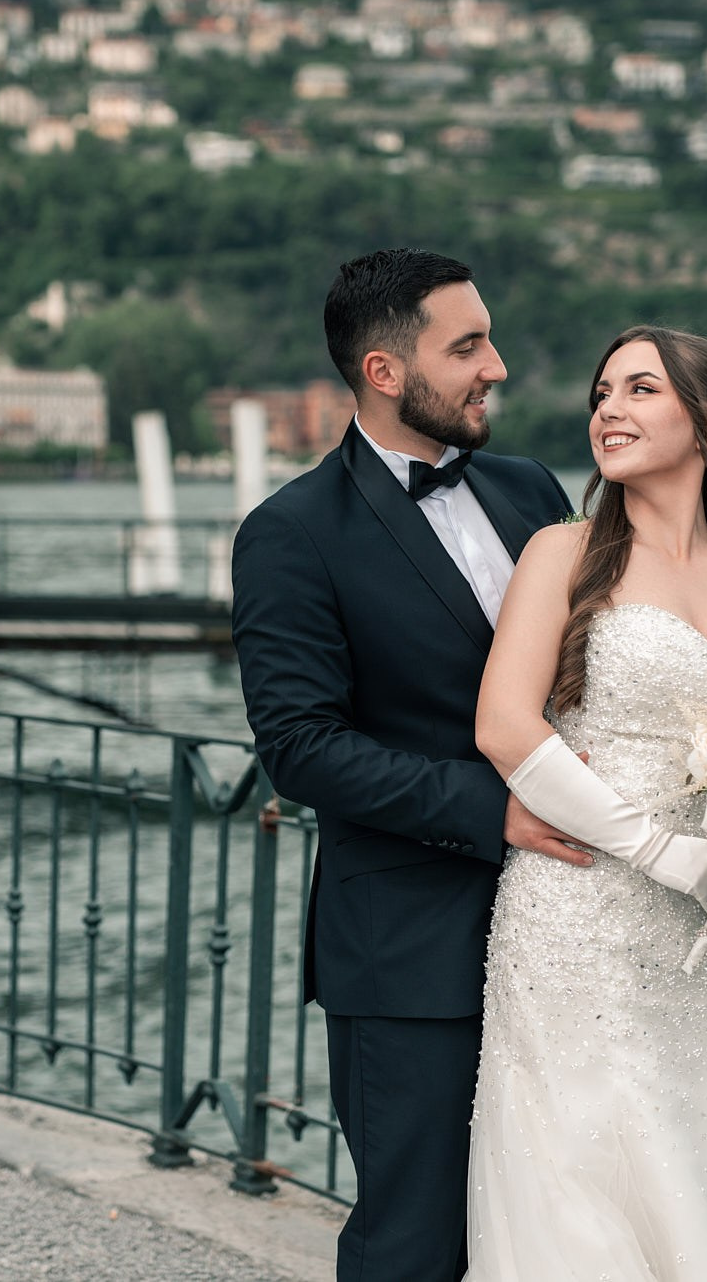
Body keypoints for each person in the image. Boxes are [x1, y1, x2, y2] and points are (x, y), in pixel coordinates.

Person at [230, 248, 581, 1281]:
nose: (497, 366)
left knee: (554, 1220)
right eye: (466, 345)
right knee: (416, 1241)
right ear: (384, 372)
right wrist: (497, 811)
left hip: (570, 928)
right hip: (410, 949)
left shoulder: (531, 491)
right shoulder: (290, 533)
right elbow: (298, 747)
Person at [465, 325, 707, 1279]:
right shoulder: (564, 552)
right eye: (601, 392)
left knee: (695, 1177)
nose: (608, 409)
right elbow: (505, 727)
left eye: (640, 390)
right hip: (580, 920)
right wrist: (661, 851)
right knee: (582, 1196)